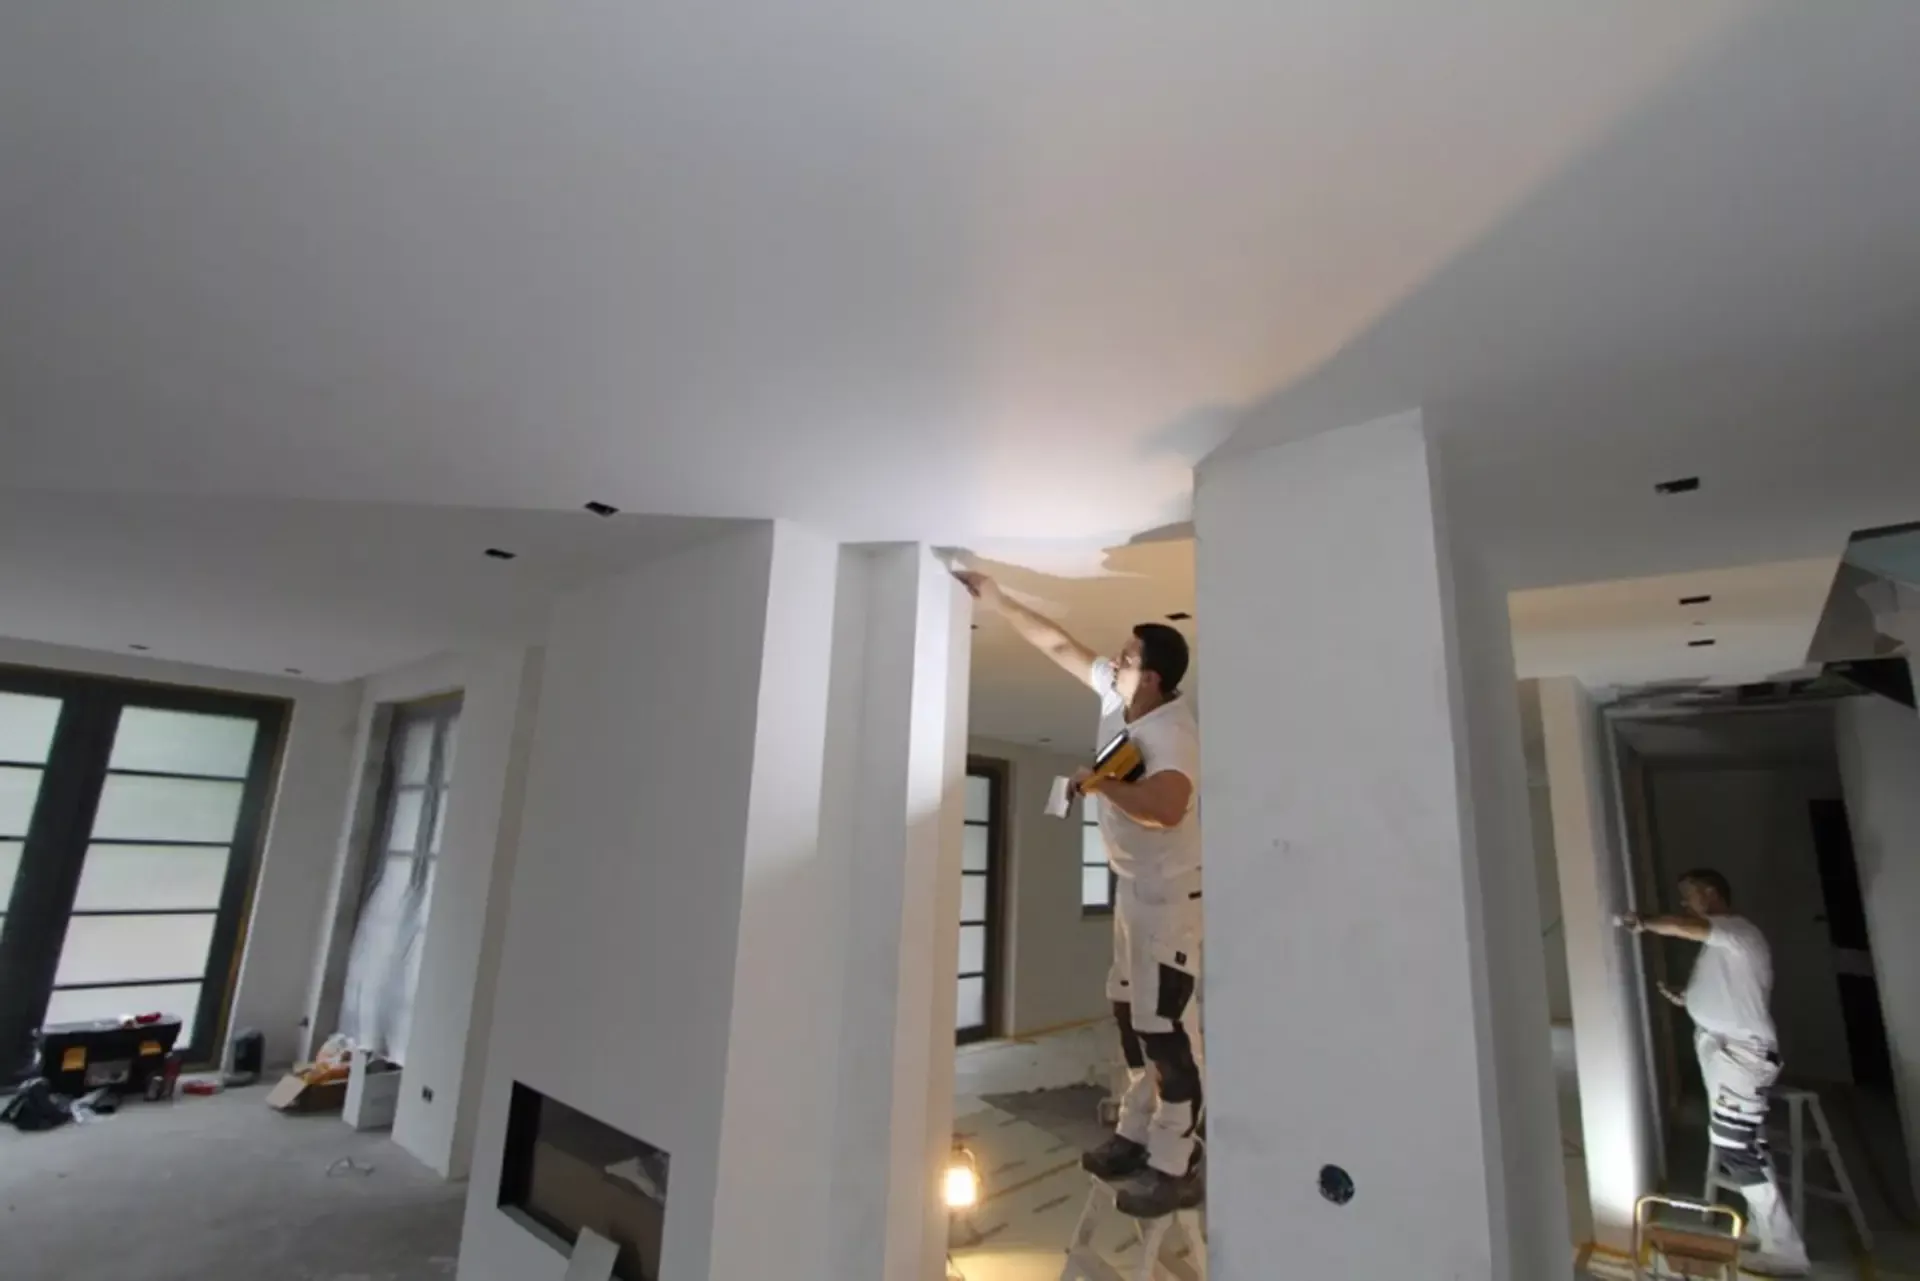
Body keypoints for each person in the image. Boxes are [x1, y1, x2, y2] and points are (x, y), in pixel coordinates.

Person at [955, 569, 1203, 1219]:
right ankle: (1135, 1131)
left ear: (1151, 678)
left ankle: (1178, 1160)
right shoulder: (1119, 699)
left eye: (1127, 657)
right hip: (1134, 890)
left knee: (1163, 1027)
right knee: (1126, 1012)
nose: (1114, 662)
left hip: (1169, 897)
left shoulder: (1172, 732)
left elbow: (1167, 807)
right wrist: (997, 599)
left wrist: (1099, 783)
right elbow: (1060, 645)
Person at [1617, 869, 1809, 1277]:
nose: (1685, 904)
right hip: (1728, 1052)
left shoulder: (1737, 931)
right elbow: (1730, 991)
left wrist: (1643, 922)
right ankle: (1761, 1229)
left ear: (1710, 893)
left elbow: (1684, 926)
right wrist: (1689, 999)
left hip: (1740, 1055)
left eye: (1689, 895)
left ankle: (1786, 1250)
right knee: (1745, 1144)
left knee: (1736, 1147)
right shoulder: (1728, 943)